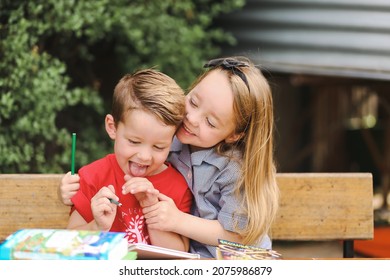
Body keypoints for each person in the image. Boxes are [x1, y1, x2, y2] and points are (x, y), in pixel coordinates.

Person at [59, 56, 279, 258]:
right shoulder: (169, 139)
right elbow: (125, 150)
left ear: (234, 135)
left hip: (238, 261)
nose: (191, 118)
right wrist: (74, 187)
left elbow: (237, 236)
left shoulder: (234, 168)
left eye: (210, 122)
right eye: (193, 102)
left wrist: (177, 220)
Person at [63, 68, 193, 252]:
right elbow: (68, 242)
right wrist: (97, 227)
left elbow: (179, 254)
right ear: (112, 127)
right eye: (134, 141)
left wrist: (151, 207)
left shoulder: (178, 186)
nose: (145, 156)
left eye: (159, 147)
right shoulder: (92, 177)